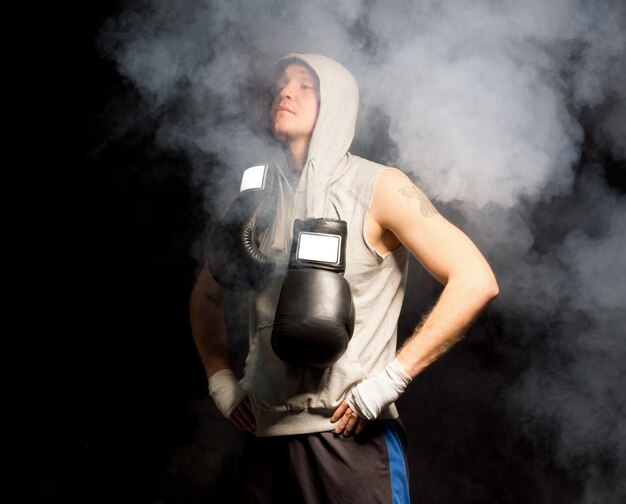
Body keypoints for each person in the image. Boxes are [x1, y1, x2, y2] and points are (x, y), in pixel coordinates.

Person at [189, 53, 499, 503]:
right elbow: (205, 297)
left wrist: (390, 382)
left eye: (304, 85)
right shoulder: (252, 199)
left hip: (351, 438)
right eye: (280, 84)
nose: (284, 92)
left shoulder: (380, 187)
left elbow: (475, 279)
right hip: (265, 438)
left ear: (336, 102)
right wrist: (221, 381)